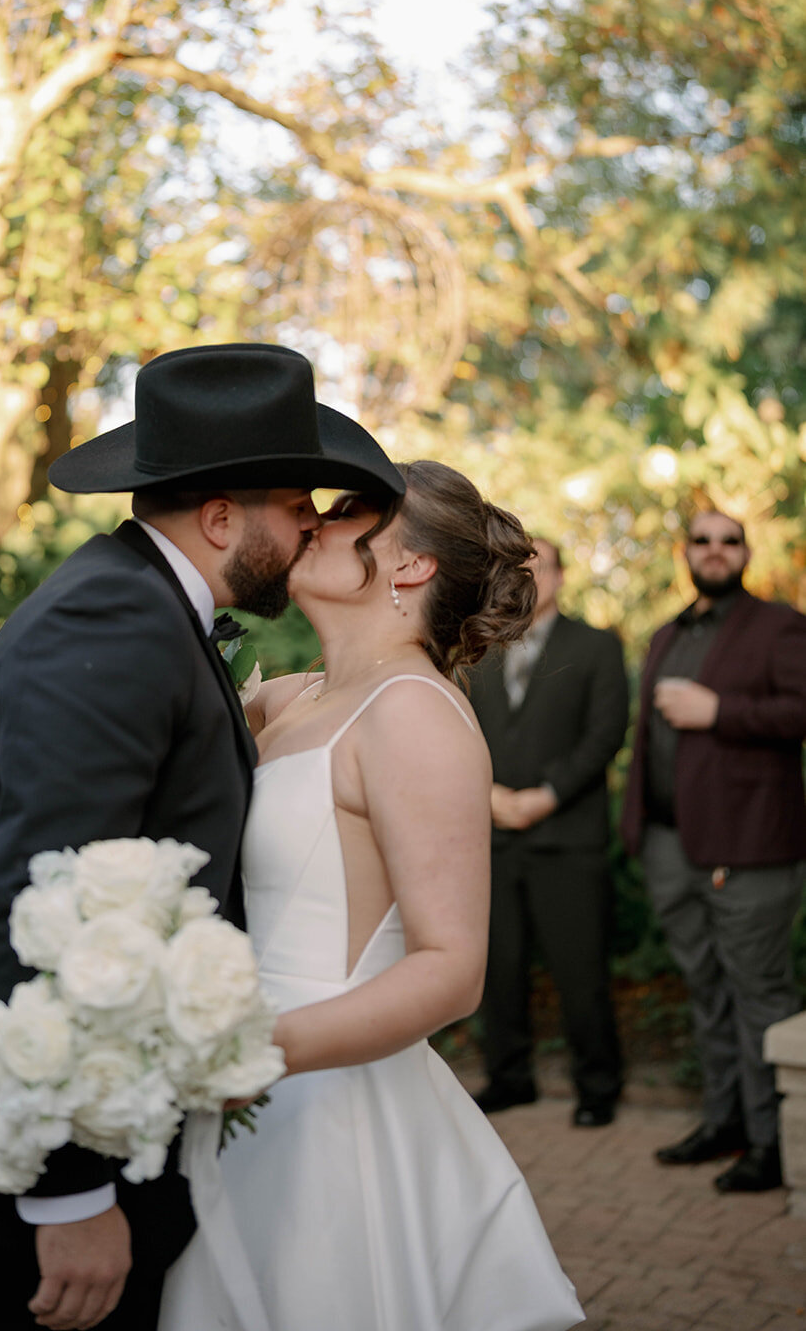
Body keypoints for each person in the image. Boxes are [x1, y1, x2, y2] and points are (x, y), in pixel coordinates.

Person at [0, 342, 406, 1331]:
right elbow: (49, 901)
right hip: (17, 1189)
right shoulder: (115, 619)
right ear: (221, 517)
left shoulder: (142, 602)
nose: (311, 527)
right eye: (296, 505)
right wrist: (67, 1193)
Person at [159, 462, 584, 1331]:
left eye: (350, 510)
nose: (313, 518)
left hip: (321, 1104)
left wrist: (258, 1052)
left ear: (413, 565)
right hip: (238, 1087)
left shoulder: (412, 715)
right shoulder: (291, 698)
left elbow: (450, 970)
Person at [622, 508, 806, 1194]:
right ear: (686, 553)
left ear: (745, 552)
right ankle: (724, 1121)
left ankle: (773, 1146)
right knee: (705, 991)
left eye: (728, 541)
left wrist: (719, 711)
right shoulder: (667, 634)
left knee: (758, 994)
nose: (715, 550)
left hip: (750, 848)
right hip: (671, 847)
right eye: (702, 540)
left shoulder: (777, 626)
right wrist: (636, 830)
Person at [469, 538, 629, 1127]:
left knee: (580, 972)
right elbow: (457, 726)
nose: (529, 579)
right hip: (491, 834)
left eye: (540, 567)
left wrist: (547, 796)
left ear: (561, 578)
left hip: (566, 837)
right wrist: (484, 794)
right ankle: (509, 1079)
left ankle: (598, 1087)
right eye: (518, 569)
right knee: (499, 970)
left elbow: (605, 733)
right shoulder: (477, 648)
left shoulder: (596, 647)